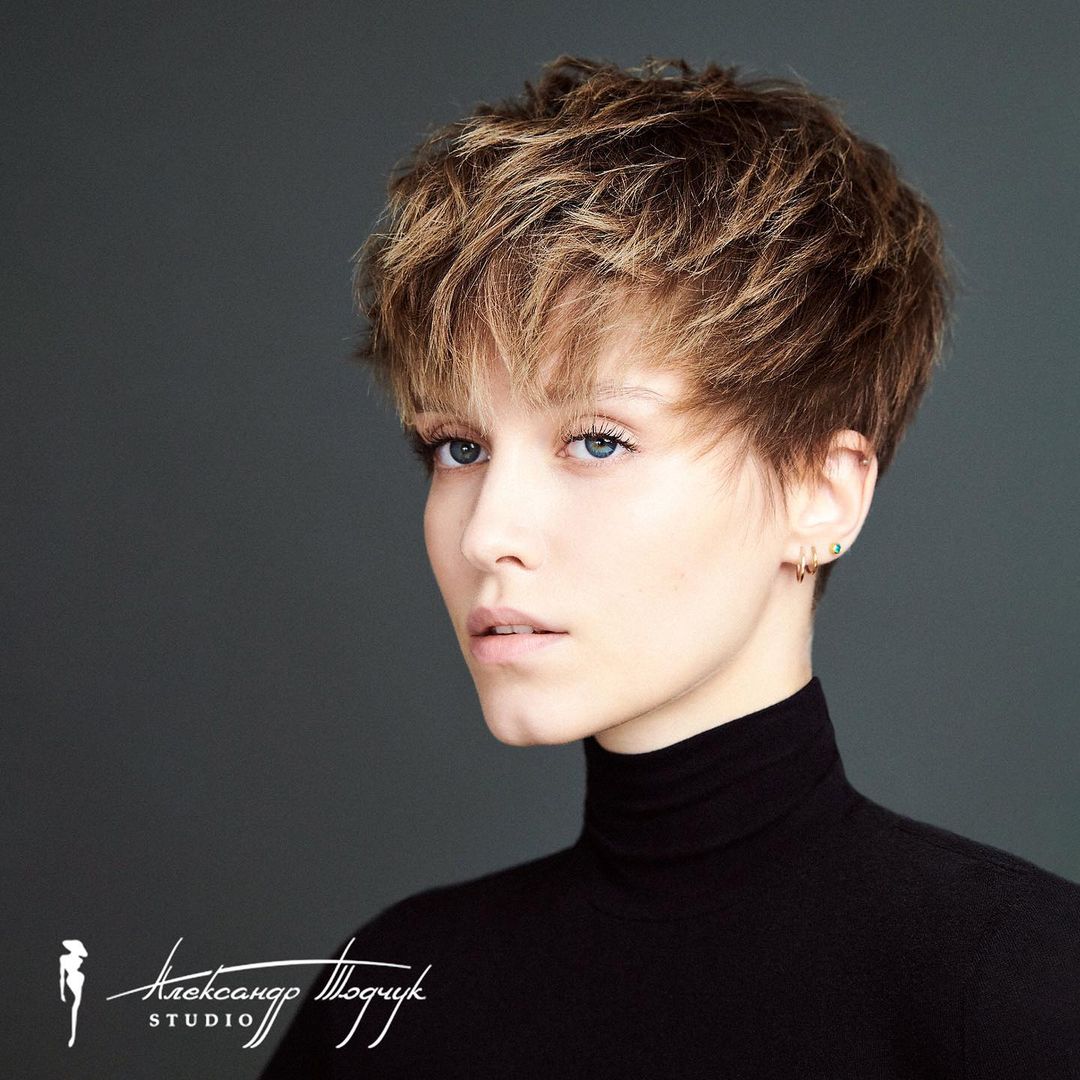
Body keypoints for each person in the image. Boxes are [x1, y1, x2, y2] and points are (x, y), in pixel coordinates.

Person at [259, 55, 1080, 1077]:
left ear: (821, 494)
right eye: (458, 447)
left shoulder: (1021, 991)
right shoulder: (393, 993)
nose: (485, 534)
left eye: (597, 440)